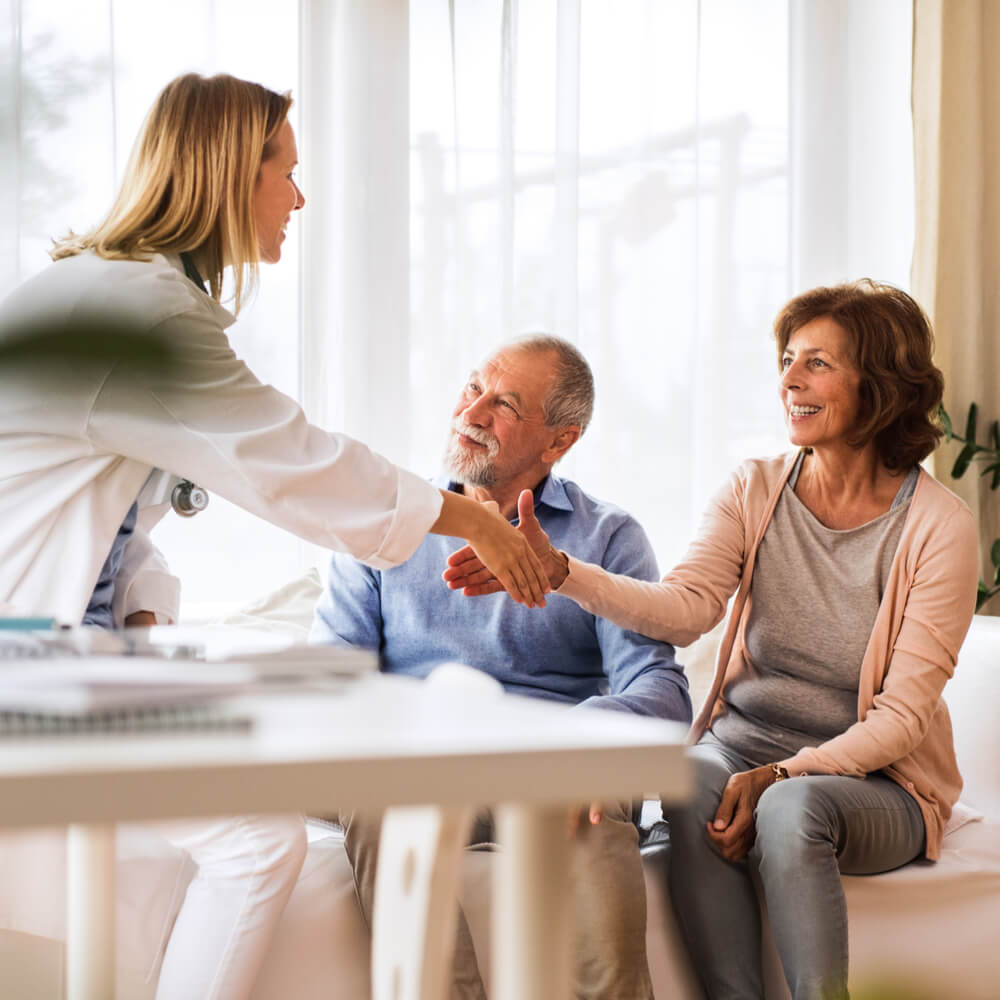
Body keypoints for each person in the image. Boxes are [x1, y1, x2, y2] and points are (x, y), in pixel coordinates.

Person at [0, 73, 547, 1000]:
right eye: (285, 171)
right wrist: (466, 518)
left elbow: (96, 512)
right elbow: (294, 463)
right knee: (258, 843)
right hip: (26, 667)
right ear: (225, 172)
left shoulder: (112, 296)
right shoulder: (136, 312)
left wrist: (138, 617)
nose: (299, 196)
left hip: (58, 659)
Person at [445, 282, 980, 1000]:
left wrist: (786, 776)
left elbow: (901, 718)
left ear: (880, 383)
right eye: (788, 359)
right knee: (690, 777)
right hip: (743, 748)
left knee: (793, 811)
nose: (789, 380)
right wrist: (562, 571)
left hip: (877, 784)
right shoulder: (754, 488)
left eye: (816, 363)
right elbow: (686, 608)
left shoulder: (939, 527)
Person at [311, 334, 692, 1000]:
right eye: (472, 387)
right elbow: (332, 681)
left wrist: (582, 744)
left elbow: (659, 688)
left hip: (550, 768)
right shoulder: (387, 528)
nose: (474, 411)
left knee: (601, 827)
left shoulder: (606, 536)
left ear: (558, 441)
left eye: (505, 403)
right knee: (372, 794)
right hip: (420, 765)